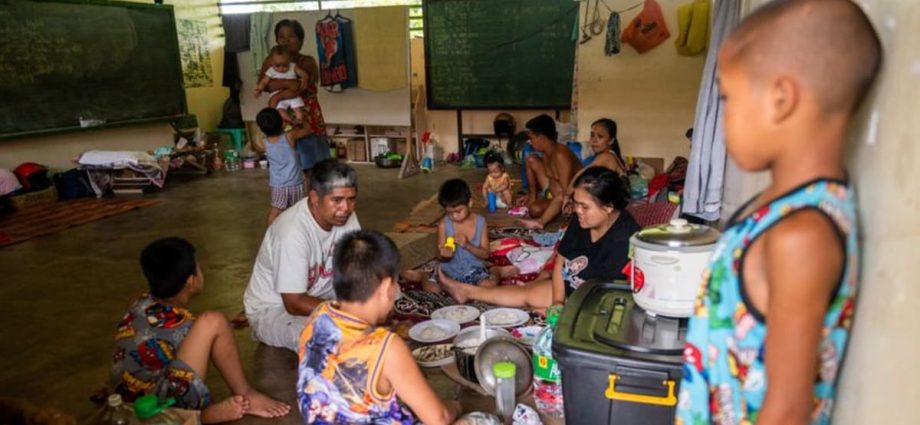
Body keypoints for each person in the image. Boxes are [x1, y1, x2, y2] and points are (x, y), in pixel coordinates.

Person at [676, 1, 881, 424]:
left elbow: (787, 412)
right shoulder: (774, 208)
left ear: (781, 99)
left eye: (729, 97)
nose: (725, 116)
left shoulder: (802, 236)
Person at [110, 238, 290, 423]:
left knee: (210, 325)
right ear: (191, 280)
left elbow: (167, 330)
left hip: (125, 402)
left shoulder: (139, 303)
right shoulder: (190, 324)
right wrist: (224, 326)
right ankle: (240, 396)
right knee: (214, 321)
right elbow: (198, 328)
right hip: (162, 410)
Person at [297, 230, 459, 424]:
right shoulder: (387, 347)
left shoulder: (318, 315)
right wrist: (457, 405)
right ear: (385, 287)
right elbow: (438, 419)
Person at [440, 167, 640, 309]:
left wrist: (565, 312)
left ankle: (470, 290)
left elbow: (608, 301)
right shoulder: (582, 222)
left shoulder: (625, 241)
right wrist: (557, 304)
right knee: (529, 291)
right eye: (576, 203)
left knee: (533, 294)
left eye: (584, 207)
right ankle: (466, 291)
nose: (577, 211)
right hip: (574, 287)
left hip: (595, 302)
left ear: (608, 207)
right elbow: (562, 260)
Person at [243, 159, 360, 352]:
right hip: (275, 311)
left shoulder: (344, 215)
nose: (346, 208)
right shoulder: (291, 233)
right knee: (335, 340)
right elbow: (294, 303)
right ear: (314, 197)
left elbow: (355, 264)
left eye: (351, 199)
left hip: (321, 293)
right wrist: (348, 311)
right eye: (337, 200)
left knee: (386, 290)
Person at [257, 19, 330, 177]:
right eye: (281, 36)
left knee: (313, 167)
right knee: (289, 165)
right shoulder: (270, 61)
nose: (285, 40)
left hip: (305, 118)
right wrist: (286, 84)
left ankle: (314, 197)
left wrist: (276, 94)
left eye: (291, 36)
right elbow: (263, 85)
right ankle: (297, 197)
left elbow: (298, 87)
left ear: (300, 40)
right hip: (283, 121)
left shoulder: (306, 61)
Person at [437, 179, 514, 287]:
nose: (454, 216)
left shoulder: (480, 222)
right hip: (450, 269)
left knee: (488, 285)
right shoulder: (444, 224)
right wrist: (444, 255)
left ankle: (497, 272)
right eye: (449, 213)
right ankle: (424, 276)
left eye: (458, 211)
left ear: (470, 203)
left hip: (474, 269)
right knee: (432, 288)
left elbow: (485, 254)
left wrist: (467, 245)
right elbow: (440, 256)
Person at [517, 114, 583, 230]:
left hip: (564, 197)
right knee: (530, 159)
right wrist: (531, 195)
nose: (529, 142)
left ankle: (553, 215)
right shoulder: (547, 151)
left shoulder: (560, 155)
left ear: (541, 138)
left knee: (535, 209)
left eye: (531, 138)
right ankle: (532, 197)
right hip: (551, 190)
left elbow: (566, 193)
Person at [253, 108, 314, 225]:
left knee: (276, 209)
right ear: (281, 122)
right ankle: (297, 231)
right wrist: (298, 120)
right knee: (298, 209)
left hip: (277, 185)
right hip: (295, 183)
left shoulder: (264, 142)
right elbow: (307, 129)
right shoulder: (289, 136)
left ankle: (272, 233)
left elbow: (258, 136)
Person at [564, 118, 631, 212]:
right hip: (615, 203)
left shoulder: (607, 157)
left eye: (600, 136)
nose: (594, 141)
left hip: (617, 206)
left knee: (570, 200)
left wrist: (567, 196)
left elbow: (582, 175)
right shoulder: (610, 154)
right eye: (592, 136)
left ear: (611, 141)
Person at [254, 46, 309, 124]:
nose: (281, 68)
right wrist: (259, 89)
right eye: (277, 66)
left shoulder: (293, 66)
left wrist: (304, 78)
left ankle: (299, 120)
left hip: (292, 95)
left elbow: (302, 73)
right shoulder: (271, 70)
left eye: (285, 66)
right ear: (272, 62)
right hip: (279, 97)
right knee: (280, 110)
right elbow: (264, 82)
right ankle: (290, 121)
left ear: (289, 60)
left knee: (298, 109)